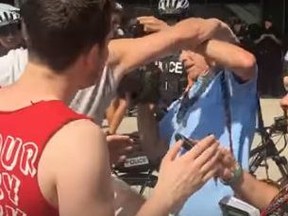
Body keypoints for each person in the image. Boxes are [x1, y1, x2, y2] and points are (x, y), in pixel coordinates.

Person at [0, 0, 235, 214]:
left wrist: (85, 166)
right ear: (95, 54)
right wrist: (169, 195)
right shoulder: (75, 138)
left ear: (27, 32)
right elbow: (189, 31)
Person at [137, 20, 258, 215]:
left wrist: (175, 35)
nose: (183, 57)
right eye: (181, 51)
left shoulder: (228, 86)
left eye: (189, 49)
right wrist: (143, 101)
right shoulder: (179, 104)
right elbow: (155, 152)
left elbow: (246, 61)